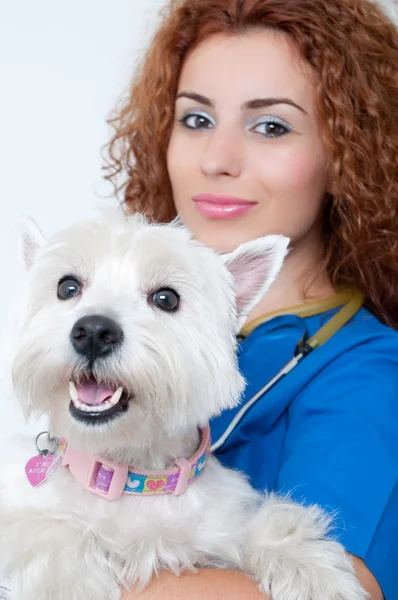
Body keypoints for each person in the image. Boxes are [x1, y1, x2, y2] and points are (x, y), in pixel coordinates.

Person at [104, 0, 398, 598]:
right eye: (195, 119)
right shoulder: (142, 326)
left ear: (346, 155)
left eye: (271, 126)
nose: (217, 160)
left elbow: (337, 589)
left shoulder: (366, 370)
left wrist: (59, 564)